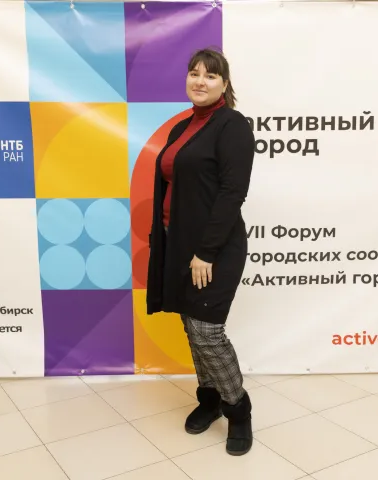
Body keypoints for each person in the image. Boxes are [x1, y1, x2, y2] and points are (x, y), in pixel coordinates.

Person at [146, 47, 255, 456]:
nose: (200, 81)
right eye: (194, 73)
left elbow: (232, 192)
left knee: (208, 332)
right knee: (191, 327)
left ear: (224, 84)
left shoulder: (233, 126)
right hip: (177, 242)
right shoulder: (182, 127)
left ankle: (238, 409)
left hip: (215, 247)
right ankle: (208, 399)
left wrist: (206, 252)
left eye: (210, 75)